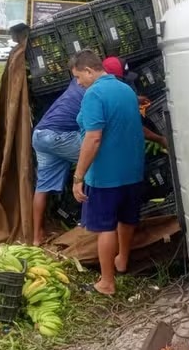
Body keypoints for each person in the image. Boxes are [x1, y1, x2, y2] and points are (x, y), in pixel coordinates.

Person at [70, 50, 145, 295]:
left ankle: (107, 282)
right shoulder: (126, 90)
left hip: (105, 175)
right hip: (132, 170)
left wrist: (78, 176)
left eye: (79, 77)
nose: (78, 83)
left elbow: (93, 138)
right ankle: (122, 260)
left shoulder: (94, 94)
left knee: (106, 227)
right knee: (126, 218)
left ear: (89, 70)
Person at [31, 78, 86, 245]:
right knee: (96, 160)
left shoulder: (76, 83)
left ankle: (36, 237)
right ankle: (89, 225)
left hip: (40, 135)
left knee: (42, 187)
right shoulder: (93, 91)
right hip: (59, 136)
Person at [102, 56, 169, 149]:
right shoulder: (107, 98)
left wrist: (135, 99)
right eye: (123, 79)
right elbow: (133, 125)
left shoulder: (110, 90)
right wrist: (160, 139)